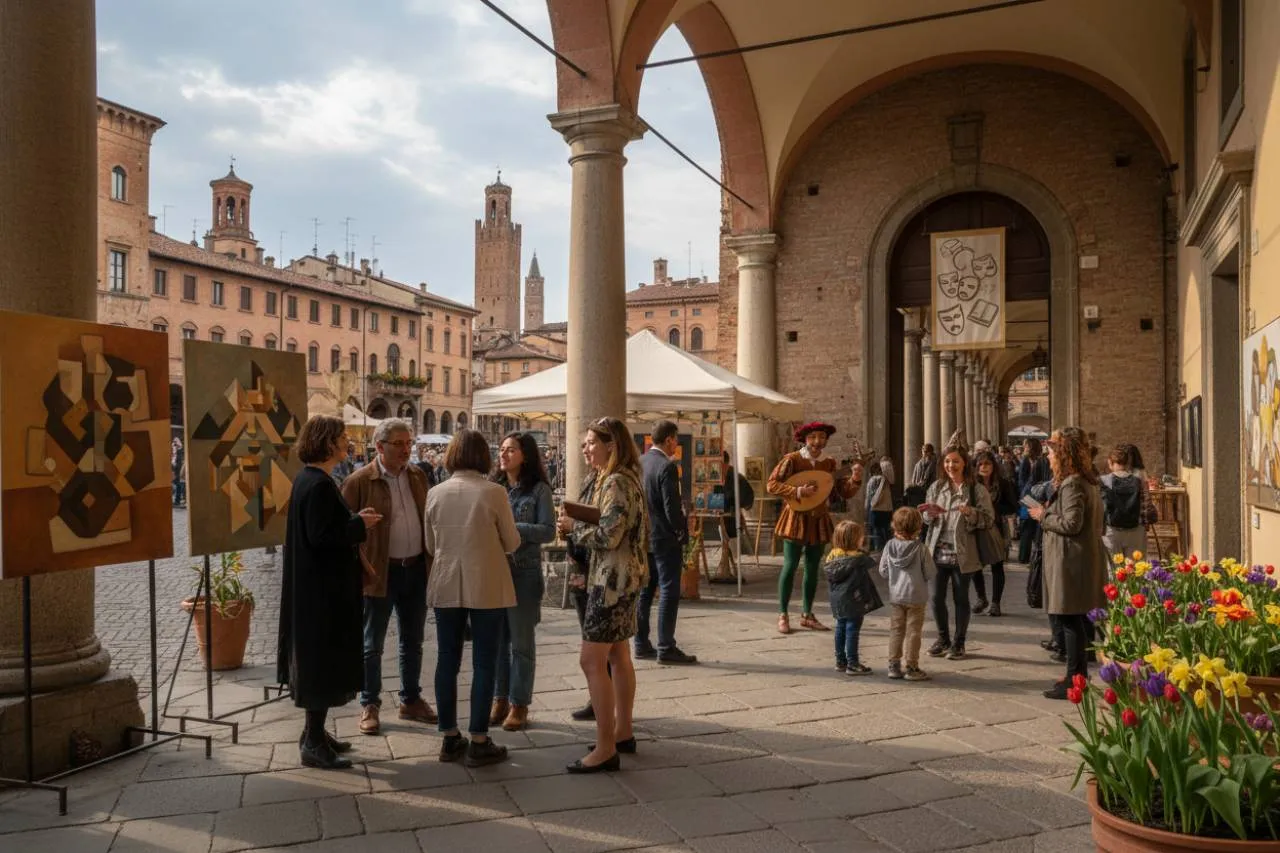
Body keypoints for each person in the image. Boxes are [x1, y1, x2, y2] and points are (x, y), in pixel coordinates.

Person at [279, 415, 382, 769]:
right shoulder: (319, 484)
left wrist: (352, 521)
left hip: (314, 588)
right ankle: (312, 741)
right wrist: (359, 525)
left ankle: (317, 734)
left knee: (318, 662)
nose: (346, 441)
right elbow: (323, 538)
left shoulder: (309, 480)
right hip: (321, 593)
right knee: (320, 665)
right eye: (341, 437)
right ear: (327, 442)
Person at [556, 417, 649, 773]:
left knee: (591, 661)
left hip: (611, 581)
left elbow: (609, 536)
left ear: (612, 445)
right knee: (618, 655)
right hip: (624, 579)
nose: (585, 448)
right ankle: (622, 732)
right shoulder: (623, 479)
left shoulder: (615, 482)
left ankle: (606, 747)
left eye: (591, 442)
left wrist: (573, 528)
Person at [425, 429, 521, 767]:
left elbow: (429, 544)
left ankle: (449, 736)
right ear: (483, 456)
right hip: (487, 584)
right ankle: (479, 739)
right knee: (484, 661)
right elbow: (511, 542)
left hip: (447, 580)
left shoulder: (435, 493)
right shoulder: (494, 493)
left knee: (446, 659)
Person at [341, 419, 436, 736]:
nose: (406, 449)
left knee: (414, 640)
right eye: (399, 444)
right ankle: (370, 703)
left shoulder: (418, 475)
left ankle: (410, 699)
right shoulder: (359, 481)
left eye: (409, 443)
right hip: (379, 572)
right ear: (379, 446)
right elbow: (345, 531)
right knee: (372, 644)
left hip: (415, 569)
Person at [1027, 427, 1106, 699]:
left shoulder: (1072, 484)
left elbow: (1072, 523)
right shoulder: (1087, 480)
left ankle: (1075, 681)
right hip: (1080, 560)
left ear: (1062, 454)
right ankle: (1077, 676)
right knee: (1078, 623)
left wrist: (1042, 515)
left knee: (1071, 622)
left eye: (1051, 453)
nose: (1049, 459)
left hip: (1071, 562)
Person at [766, 422, 860, 634]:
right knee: (790, 566)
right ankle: (783, 613)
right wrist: (797, 491)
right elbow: (771, 484)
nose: (818, 442)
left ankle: (807, 614)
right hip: (795, 519)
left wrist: (855, 478)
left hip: (818, 520)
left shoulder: (829, 463)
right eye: (813, 438)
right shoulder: (792, 459)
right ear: (805, 439)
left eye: (822, 437)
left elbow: (841, 492)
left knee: (813, 568)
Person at [490, 431, 556, 731]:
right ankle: (499, 699)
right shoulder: (495, 488)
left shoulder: (539, 490)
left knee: (521, 644)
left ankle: (519, 704)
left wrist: (513, 527)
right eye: (502, 449)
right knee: (497, 643)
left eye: (510, 450)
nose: (503, 454)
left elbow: (548, 531)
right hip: (496, 570)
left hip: (524, 571)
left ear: (525, 455)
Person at [920, 434, 994, 661]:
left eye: (955, 462)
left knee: (961, 598)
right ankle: (943, 638)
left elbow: (989, 518)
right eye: (947, 462)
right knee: (935, 598)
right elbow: (925, 518)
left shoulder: (976, 490)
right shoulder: (936, 487)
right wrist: (927, 514)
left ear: (964, 464)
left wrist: (971, 513)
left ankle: (959, 642)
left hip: (964, 552)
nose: (950, 466)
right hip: (937, 550)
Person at [636, 420, 696, 665]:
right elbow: (672, 508)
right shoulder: (666, 467)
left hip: (645, 536)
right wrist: (682, 531)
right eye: (676, 440)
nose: (676, 445)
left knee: (645, 591)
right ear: (670, 439)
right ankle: (666, 646)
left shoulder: (640, 463)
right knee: (669, 591)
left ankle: (640, 643)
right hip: (664, 537)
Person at [879, 506, 934, 681]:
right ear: (919, 527)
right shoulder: (921, 549)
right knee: (913, 632)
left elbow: (883, 571)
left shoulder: (889, 546)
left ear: (894, 526)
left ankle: (893, 665)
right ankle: (912, 667)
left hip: (897, 596)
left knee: (896, 630)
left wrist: (894, 577)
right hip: (916, 597)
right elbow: (930, 573)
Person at [824, 521, 879, 675]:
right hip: (854, 598)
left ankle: (840, 661)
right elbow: (871, 562)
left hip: (837, 599)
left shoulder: (832, 555)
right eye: (860, 536)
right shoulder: (859, 558)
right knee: (852, 629)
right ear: (855, 539)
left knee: (840, 627)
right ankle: (853, 663)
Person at [970, 449, 1017, 617]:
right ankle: (981, 598)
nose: (984, 467)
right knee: (975, 565)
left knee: (997, 565)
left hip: (996, 527)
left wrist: (994, 510)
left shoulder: (1003, 484)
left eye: (987, 464)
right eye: (980, 464)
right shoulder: (972, 485)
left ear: (993, 466)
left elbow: (1012, 506)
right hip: (977, 527)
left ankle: (996, 603)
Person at [1099, 444, 1151, 563]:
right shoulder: (1138, 480)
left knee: (1113, 572)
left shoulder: (1103, 481)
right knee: (1135, 571)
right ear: (1127, 463)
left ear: (1110, 462)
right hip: (1135, 529)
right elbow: (1146, 505)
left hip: (1112, 530)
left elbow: (1100, 507)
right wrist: (1145, 524)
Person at [1016, 438, 1051, 563]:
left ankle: (1024, 557)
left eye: (1026, 446)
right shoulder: (1043, 460)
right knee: (1034, 527)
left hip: (1028, 497)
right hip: (1037, 497)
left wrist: (1023, 496)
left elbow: (1021, 480)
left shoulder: (1028, 461)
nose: (1024, 448)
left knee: (1027, 527)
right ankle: (1032, 556)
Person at [864, 460, 894, 553]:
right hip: (887, 510)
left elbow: (870, 497)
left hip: (875, 510)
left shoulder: (873, 480)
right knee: (887, 532)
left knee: (876, 533)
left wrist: (866, 510)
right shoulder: (886, 481)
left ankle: (877, 552)